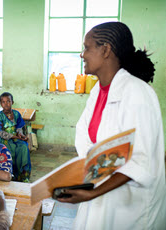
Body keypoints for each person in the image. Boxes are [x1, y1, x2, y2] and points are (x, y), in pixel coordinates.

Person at [57, 22, 166, 229]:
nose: (82, 54)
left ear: (105, 50)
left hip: (132, 204)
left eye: (87, 47)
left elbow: (142, 159)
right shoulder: (99, 91)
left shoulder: (138, 93)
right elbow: (91, 141)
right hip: (101, 187)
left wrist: (94, 191)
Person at [0, 92, 31, 182]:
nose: (6, 104)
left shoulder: (16, 114)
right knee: (10, 149)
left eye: (8, 101)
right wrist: (16, 136)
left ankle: (23, 176)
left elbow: (19, 127)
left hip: (16, 138)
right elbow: (1, 133)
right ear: (0, 103)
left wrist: (20, 134)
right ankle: (12, 174)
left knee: (23, 146)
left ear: (12, 102)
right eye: (3, 102)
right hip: (5, 139)